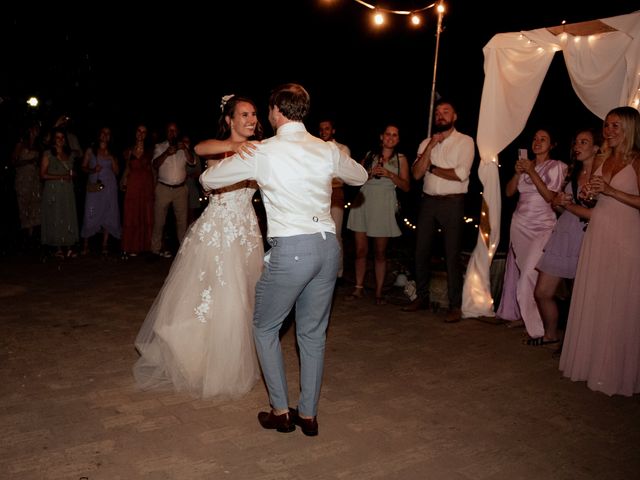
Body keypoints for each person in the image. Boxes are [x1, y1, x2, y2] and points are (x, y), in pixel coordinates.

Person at [200, 83, 368, 436]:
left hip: (293, 250)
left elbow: (208, 178)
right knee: (312, 334)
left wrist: (240, 154)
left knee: (264, 327)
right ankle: (308, 414)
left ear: (276, 110)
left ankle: (280, 410)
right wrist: (330, 162)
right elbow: (360, 176)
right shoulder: (326, 148)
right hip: (327, 248)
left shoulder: (263, 151)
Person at [134, 95, 265, 399]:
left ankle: (229, 359)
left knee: (243, 297)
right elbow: (199, 149)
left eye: (254, 114)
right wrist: (233, 147)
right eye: (243, 114)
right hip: (218, 230)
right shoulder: (218, 148)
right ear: (230, 119)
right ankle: (206, 364)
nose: (250, 119)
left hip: (246, 230)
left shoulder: (260, 149)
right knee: (218, 295)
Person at [559, 106, 640, 397]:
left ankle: (618, 372)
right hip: (599, 232)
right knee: (598, 295)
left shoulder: (637, 160)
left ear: (630, 128)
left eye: (616, 126)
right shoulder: (604, 158)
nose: (609, 131)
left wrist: (610, 191)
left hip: (627, 235)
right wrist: (589, 193)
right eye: (606, 126)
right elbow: (596, 195)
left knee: (621, 299)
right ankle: (593, 364)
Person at [401, 100, 475, 323]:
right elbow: (415, 174)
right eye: (437, 113)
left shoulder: (465, 141)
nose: (440, 116)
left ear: (455, 117)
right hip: (428, 202)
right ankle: (422, 297)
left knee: (451, 255)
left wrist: (432, 168)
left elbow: (460, 174)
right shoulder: (426, 142)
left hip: (453, 203)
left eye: (445, 112)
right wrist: (431, 147)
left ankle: (455, 305)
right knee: (420, 250)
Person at [532, 127, 601, 347]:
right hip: (564, 234)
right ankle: (551, 334)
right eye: (576, 142)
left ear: (596, 148)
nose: (577, 147)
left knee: (580, 296)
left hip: (586, 236)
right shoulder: (573, 172)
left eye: (584, 142)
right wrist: (559, 203)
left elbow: (596, 214)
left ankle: (575, 344)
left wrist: (568, 205)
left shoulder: (603, 175)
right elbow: (562, 208)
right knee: (542, 291)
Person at [496, 128, 567, 340]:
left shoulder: (558, 167)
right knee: (523, 273)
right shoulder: (526, 166)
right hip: (520, 225)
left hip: (543, 226)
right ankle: (529, 318)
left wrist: (532, 172)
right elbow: (509, 192)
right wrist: (519, 172)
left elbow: (550, 197)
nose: (537, 142)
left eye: (543, 139)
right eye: (535, 138)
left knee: (528, 273)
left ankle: (540, 329)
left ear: (552, 144)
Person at [345, 123, 410, 304]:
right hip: (364, 202)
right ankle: (358, 287)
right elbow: (356, 178)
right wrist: (368, 173)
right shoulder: (369, 155)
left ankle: (379, 291)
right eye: (387, 134)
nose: (390, 137)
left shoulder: (401, 159)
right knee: (360, 250)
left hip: (383, 205)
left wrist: (389, 174)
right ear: (381, 136)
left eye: (394, 135)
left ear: (398, 139)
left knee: (380, 252)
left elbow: (406, 186)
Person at [150, 121, 196, 258]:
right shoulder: (160, 147)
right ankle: (155, 249)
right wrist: (166, 153)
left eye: (174, 130)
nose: (172, 133)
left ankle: (183, 251)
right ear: (166, 133)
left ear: (178, 132)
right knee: (159, 221)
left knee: (182, 222)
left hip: (180, 190)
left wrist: (185, 149)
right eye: (170, 131)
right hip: (163, 188)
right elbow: (155, 164)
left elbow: (192, 162)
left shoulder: (183, 147)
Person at [319, 118, 351, 283]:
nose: (324, 131)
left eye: (327, 128)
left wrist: (326, 180)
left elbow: (342, 178)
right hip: (317, 195)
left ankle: (338, 272)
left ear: (333, 131)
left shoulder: (342, 149)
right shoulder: (315, 147)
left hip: (336, 195)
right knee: (319, 234)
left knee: (335, 234)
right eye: (321, 129)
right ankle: (321, 270)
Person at [80, 126, 121, 255]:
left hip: (109, 187)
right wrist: (93, 170)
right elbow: (83, 167)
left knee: (108, 213)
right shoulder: (90, 151)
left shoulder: (112, 153)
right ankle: (85, 244)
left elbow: (117, 172)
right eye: (103, 132)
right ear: (99, 135)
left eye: (108, 133)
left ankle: (104, 244)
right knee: (90, 212)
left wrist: (111, 159)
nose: (105, 135)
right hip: (94, 186)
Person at [40, 127, 79, 258]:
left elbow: (72, 172)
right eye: (57, 137)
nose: (60, 140)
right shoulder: (48, 154)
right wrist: (60, 177)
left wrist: (72, 175)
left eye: (62, 138)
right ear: (53, 139)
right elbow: (43, 175)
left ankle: (69, 247)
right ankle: (58, 248)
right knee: (55, 216)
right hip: (53, 190)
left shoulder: (69, 154)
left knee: (67, 215)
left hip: (67, 189)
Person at [120, 123, 155, 257]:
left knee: (146, 214)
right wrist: (124, 181)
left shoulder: (151, 150)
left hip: (146, 185)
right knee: (131, 214)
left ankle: (146, 247)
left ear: (146, 135)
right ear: (135, 133)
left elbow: (153, 170)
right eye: (139, 131)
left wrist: (154, 186)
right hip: (133, 185)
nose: (141, 134)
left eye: (144, 132)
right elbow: (127, 168)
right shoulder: (128, 150)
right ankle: (130, 247)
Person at [11, 121, 43, 248]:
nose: (37, 131)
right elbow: (13, 162)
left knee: (35, 205)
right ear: (30, 130)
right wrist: (28, 161)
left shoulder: (37, 145)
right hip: (23, 178)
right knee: (24, 205)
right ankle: (25, 236)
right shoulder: (21, 144)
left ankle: (32, 236)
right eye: (35, 129)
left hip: (34, 179)